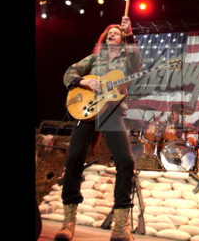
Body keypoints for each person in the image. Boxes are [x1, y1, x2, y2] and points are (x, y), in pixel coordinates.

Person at [54, 16, 142, 241]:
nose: (112, 33)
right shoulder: (94, 59)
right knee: (74, 159)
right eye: (109, 32)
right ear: (104, 38)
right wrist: (83, 81)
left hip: (112, 113)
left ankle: (120, 227)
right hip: (87, 112)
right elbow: (69, 73)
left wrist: (130, 33)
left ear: (122, 39)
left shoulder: (126, 60)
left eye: (117, 32)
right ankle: (68, 222)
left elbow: (137, 64)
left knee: (126, 161)